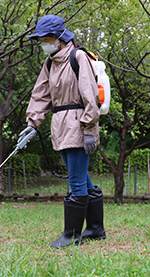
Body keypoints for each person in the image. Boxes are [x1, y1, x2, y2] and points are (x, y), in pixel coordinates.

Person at [19, 14, 107, 248]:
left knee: (76, 181)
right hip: (60, 125)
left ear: (58, 38)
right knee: (82, 178)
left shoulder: (77, 57)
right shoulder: (49, 63)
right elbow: (40, 95)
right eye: (40, 39)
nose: (42, 43)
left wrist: (90, 129)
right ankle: (96, 229)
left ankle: (71, 235)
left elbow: (90, 96)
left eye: (45, 38)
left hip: (78, 124)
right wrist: (32, 123)